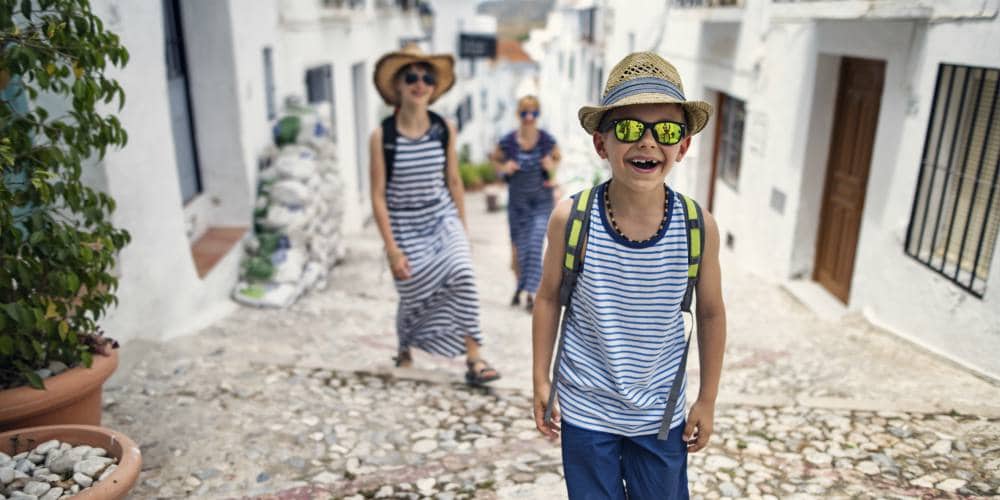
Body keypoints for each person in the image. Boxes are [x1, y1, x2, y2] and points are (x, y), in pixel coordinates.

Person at [531, 52, 727, 499]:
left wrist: (707, 399)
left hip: (660, 414)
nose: (648, 142)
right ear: (602, 144)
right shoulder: (572, 219)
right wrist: (542, 379)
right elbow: (547, 299)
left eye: (667, 131)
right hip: (585, 408)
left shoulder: (698, 228)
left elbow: (711, 314)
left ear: (684, 146)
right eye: (629, 128)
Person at [369, 44, 500, 385]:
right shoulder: (382, 136)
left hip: (441, 217)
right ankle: (405, 346)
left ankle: (474, 357)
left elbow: (454, 181)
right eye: (411, 76)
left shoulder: (444, 128)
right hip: (403, 223)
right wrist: (392, 248)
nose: (420, 83)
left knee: (462, 273)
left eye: (426, 77)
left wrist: (462, 230)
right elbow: (378, 196)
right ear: (398, 85)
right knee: (413, 289)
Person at [490, 95, 561, 312]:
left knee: (534, 244)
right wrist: (505, 169)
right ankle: (521, 288)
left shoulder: (547, 141)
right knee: (519, 250)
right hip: (517, 204)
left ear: (538, 115)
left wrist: (551, 166)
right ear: (518, 115)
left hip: (541, 202)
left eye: (534, 113)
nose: (529, 117)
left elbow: (557, 162)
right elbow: (494, 161)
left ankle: (532, 294)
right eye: (524, 113)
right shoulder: (508, 142)